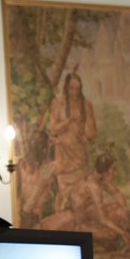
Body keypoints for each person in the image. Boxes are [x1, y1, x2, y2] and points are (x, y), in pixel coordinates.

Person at [47, 72, 96, 210]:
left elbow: (93, 132)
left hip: (78, 154)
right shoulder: (58, 103)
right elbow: (52, 129)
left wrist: (84, 135)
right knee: (64, 196)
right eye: (71, 88)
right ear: (66, 88)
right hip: (63, 154)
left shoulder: (86, 105)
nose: (74, 92)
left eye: (78, 89)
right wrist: (69, 121)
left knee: (79, 197)